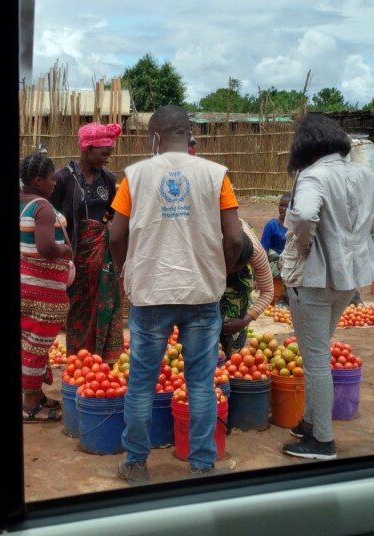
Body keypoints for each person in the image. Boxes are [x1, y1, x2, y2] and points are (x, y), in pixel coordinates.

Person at [110, 105, 244, 483]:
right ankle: (202, 465)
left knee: (141, 383)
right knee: (201, 384)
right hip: (201, 295)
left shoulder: (135, 176)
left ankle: (136, 463)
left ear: (154, 137)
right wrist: (220, 272)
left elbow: (116, 236)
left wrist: (124, 271)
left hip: (151, 294)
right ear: (188, 134)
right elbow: (235, 239)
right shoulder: (216, 175)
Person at [280, 114, 374, 460]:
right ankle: (310, 422)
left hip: (314, 280)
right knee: (317, 352)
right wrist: (361, 239)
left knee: (315, 359)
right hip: (347, 279)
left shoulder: (312, 175)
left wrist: (305, 247)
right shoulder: (362, 174)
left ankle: (322, 441)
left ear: (305, 145)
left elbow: (304, 215)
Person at [50, 122, 124, 362]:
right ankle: (79, 358)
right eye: (104, 154)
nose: (107, 159)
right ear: (88, 149)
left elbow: (113, 211)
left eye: (109, 154)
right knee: (79, 308)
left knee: (107, 303)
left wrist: (105, 231)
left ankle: (104, 359)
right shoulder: (63, 179)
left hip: (102, 254)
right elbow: (52, 215)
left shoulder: (108, 178)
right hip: (75, 254)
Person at [19, 154, 73, 422]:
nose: (55, 183)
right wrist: (65, 251)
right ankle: (30, 405)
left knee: (29, 342)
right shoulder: (43, 207)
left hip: (25, 286)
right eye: (52, 179)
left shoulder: (20, 204)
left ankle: (36, 395)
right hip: (43, 291)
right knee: (37, 346)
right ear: (39, 180)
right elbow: (46, 248)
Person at [221, 219, 274, 353]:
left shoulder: (256, 253)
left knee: (235, 308)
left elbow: (268, 291)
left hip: (239, 277)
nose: (231, 270)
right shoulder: (211, 246)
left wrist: (244, 321)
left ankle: (232, 353)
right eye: (230, 266)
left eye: (237, 267)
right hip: (218, 255)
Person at [261, 192, 291, 305]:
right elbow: (263, 249)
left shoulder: (296, 226)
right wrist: (262, 270)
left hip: (291, 260)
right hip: (275, 261)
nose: (283, 209)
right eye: (281, 205)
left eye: (287, 206)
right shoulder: (272, 225)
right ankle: (282, 297)